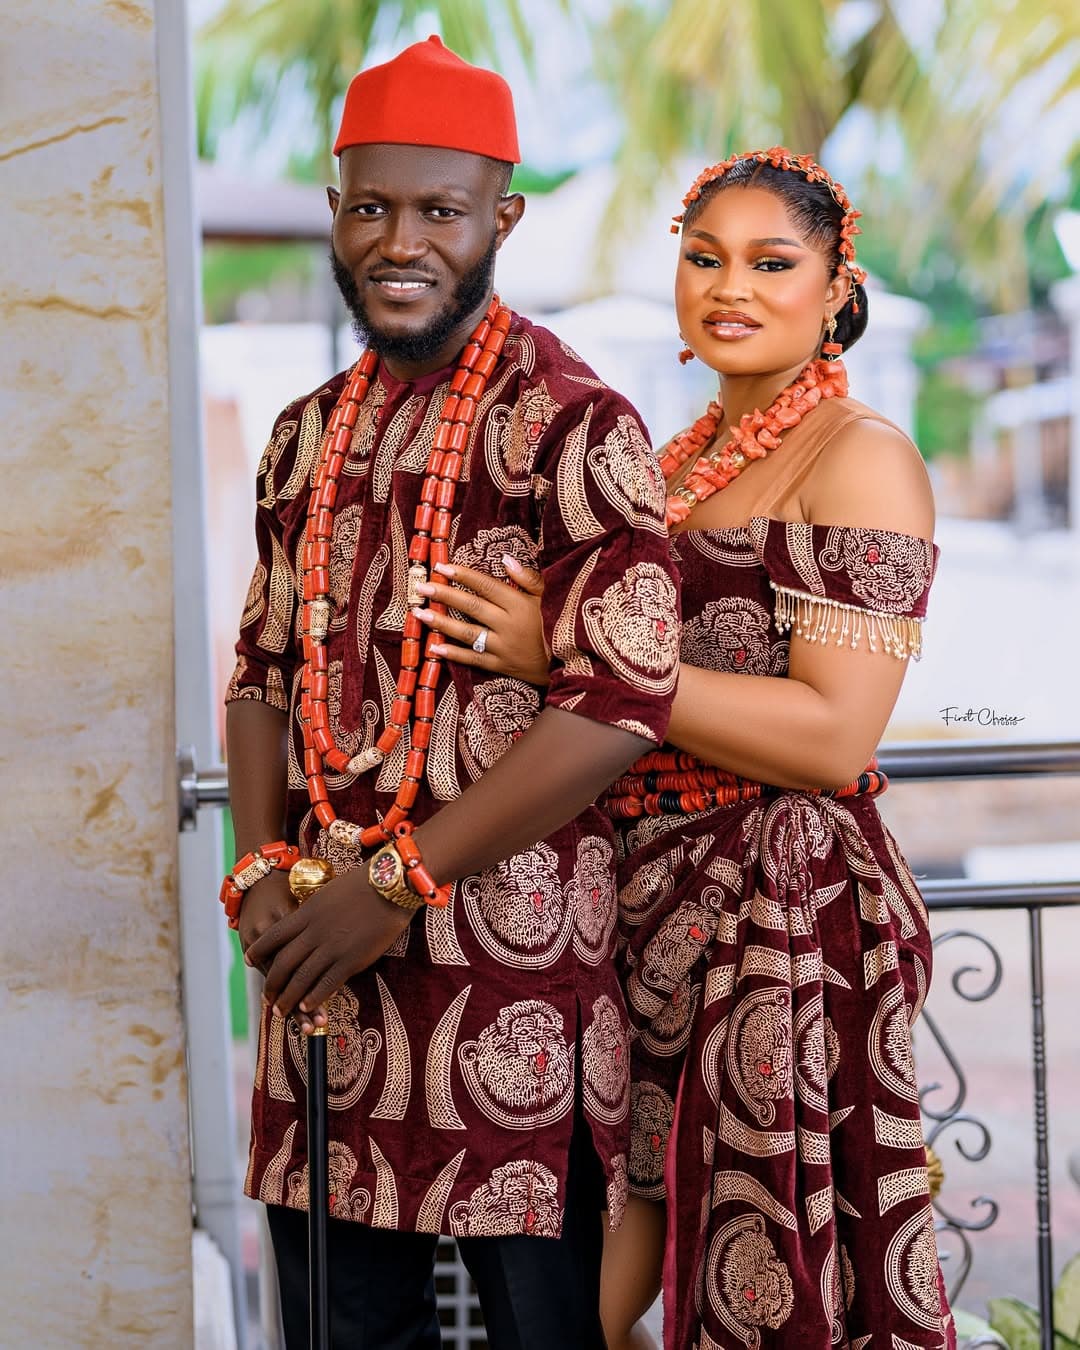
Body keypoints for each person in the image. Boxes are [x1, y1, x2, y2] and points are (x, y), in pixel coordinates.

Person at [415, 147, 956, 1350]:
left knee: (754, 1258)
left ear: (835, 285)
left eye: (774, 263)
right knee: (622, 1224)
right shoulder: (670, 461)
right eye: (705, 257)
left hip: (779, 904)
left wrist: (569, 649)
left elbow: (830, 737)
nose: (732, 287)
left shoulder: (859, 457)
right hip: (642, 896)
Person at [222, 36, 682, 1350]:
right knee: (335, 1334)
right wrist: (259, 860)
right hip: (325, 994)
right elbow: (260, 668)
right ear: (335, 211)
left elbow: (620, 698)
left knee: (552, 1335)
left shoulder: (577, 422)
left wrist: (405, 878)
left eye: (439, 209)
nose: (401, 238)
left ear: (502, 218)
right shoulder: (303, 431)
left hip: (519, 1003)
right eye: (372, 206)